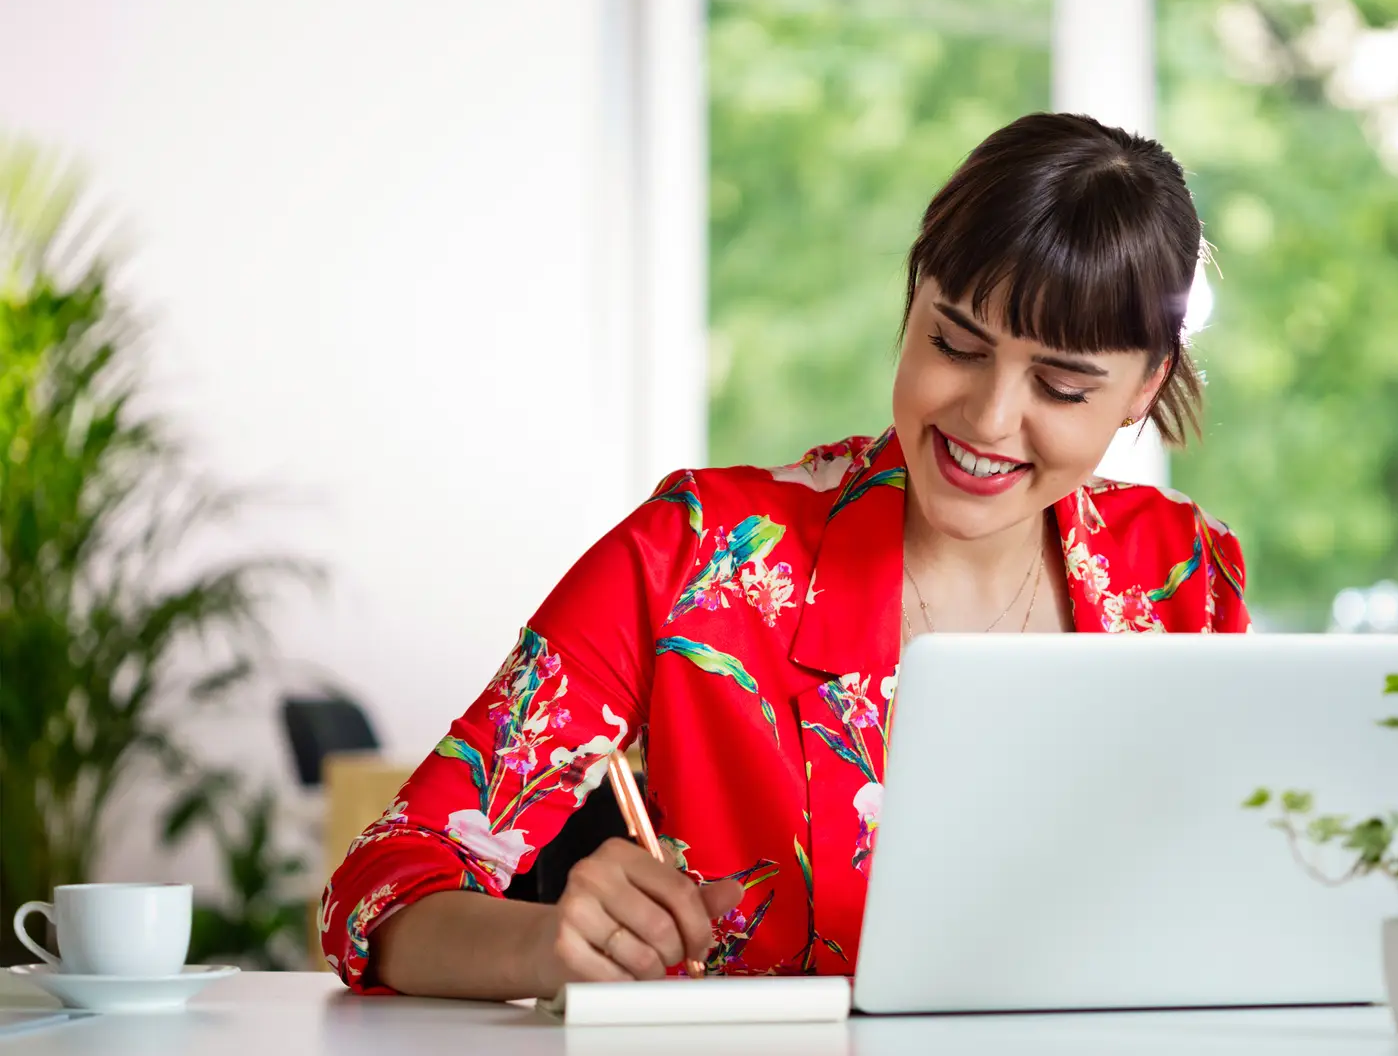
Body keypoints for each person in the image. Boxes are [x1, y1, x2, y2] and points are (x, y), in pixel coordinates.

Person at [318, 112, 1251, 1000]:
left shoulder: (1183, 578)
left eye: (1062, 385)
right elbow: (379, 884)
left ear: (1146, 388)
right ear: (913, 303)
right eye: (955, 345)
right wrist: (545, 945)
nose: (990, 418)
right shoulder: (701, 552)